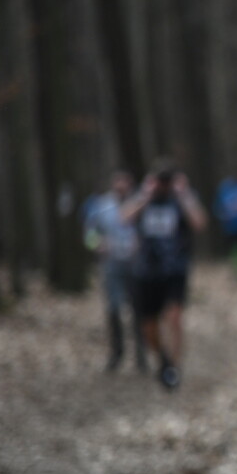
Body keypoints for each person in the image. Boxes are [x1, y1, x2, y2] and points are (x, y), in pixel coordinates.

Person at [122, 158, 207, 390]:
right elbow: (124, 217)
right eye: (159, 182)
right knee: (148, 326)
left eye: (166, 182)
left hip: (175, 269)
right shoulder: (144, 198)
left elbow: (199, 223)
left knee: (174, 316)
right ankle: (164, 359)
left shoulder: (180, 200)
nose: (163, 186)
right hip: (146, 271)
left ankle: (174, 369)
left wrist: (184, 194)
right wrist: (145, 194)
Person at [83, 169, 145, 373]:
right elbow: (89, 234)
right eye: (118, 183)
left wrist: (142, 245)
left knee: (138, 310)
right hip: (111, 265)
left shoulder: (141, 204)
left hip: (135, 265)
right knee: (114, 310)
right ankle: (117, 353)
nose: (121, 187)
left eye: (125, 183)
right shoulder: (101, 206)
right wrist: (97, 244)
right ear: (113, 184)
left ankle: (141, 356)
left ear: (131, 185)